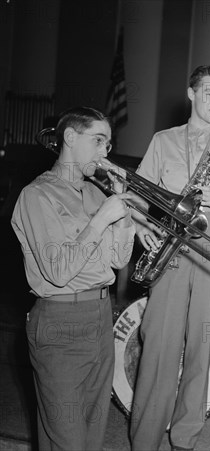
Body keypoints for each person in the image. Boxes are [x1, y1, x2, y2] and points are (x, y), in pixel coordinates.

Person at [129, 65, 210, 451]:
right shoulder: (163, 139)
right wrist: (140, 228)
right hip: (170, 236)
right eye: (209, 92)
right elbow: (136, 191)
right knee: (160, 340)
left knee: (203, 342)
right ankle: (145, 439)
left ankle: (184, 438)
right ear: (191, 93)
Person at [11, 106, 135, 450]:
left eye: (108, 144)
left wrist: (121, 211)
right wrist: (100, 221)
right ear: (69, 137)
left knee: (93, 436)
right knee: (67, 439)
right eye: (98, 140)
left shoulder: (97, 193)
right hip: (59, 324)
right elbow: (58, 271)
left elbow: (118, 259)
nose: (105, 152)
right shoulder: (36, 196)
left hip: (100, 317)